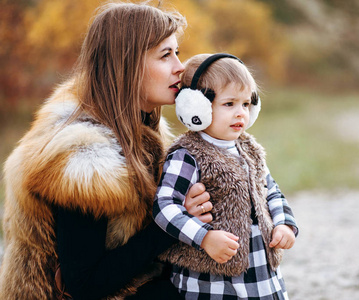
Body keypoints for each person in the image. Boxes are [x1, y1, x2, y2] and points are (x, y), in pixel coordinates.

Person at [0, 2, 213, 299]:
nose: (180, 66)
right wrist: (174, 222)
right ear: (125, 63)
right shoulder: (83, 155)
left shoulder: (145, 132)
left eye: (177, 52)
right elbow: (84, 286)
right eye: (166, 55)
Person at [153, 53, 299, 299]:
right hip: (211, 280)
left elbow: (271, 191)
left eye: (245, 104)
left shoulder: (249, 149)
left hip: (259, 273)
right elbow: (164, 206)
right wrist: (205, 237)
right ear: (196, 107)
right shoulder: (187, 155)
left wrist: (284, 223)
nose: (240, 113)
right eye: (229, 104)